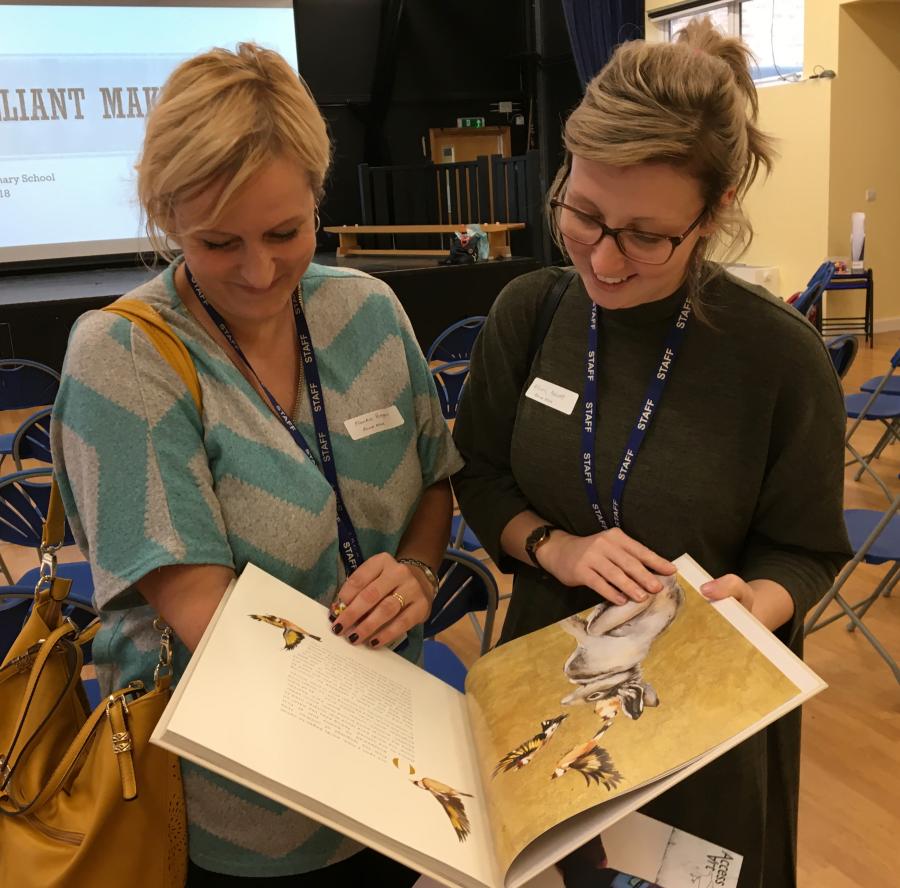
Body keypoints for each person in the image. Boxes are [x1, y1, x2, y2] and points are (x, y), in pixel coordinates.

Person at [451, 19, 850, 888]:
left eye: (644, 235)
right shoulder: (532, 313)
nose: (602, 256)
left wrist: (759, 604)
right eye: (583, 214)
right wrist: (555, 545)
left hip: (701, 730)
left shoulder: (778, 358)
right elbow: (479, 476)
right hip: (539, 705)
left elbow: (811, 551)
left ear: (712, 215)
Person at [51, 44, 461, 885]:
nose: (261, 270)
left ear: (319, 195)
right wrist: (436, 747)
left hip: (395, 784)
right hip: (239, 816)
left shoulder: (368, 311)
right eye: (217, 242)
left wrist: (418, 573)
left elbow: (434, 480)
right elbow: (209, 615)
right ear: (165, 217)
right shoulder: (126, 355)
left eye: (287, 232)